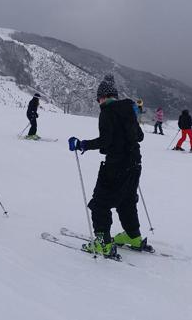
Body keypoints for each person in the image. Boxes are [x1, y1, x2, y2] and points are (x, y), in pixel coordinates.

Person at [68, 74, 148, 258]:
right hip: (135, 164)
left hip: (115, 166)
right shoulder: (129, 110)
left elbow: (105, 142)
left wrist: (83, 144)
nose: (98, 103)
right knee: (127, 201)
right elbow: (140, 137)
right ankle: (133, 236)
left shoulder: (107, 112)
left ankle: (103, 242)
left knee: (100, 202)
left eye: (98, 99)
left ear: (103, 97)